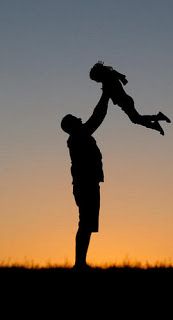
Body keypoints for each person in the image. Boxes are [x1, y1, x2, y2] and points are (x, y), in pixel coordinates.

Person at [61, 90, 110, 269]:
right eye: (75, 119)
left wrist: (106, 95)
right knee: (85, 224)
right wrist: (106, 94)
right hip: (85, 185)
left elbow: (97, 117)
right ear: (71, 126)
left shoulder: (79, 136)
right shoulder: (78, 136)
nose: (79, 119)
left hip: (87, 184)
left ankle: (80, 262)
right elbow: (97, 117)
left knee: (87, 225)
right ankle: (79, 263)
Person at [90, 61, 171, 135]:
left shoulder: (108, 81)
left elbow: (114, 76)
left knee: (136, 119)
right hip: (125, 102)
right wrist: (122, 78)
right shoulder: (108, 80)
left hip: (125, 101)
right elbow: (116, 74)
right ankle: (156, 123)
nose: (97, 81)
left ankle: (157, 119)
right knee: (136, 119)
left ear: (99, 75)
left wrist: (121, 78)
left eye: (96, 79)